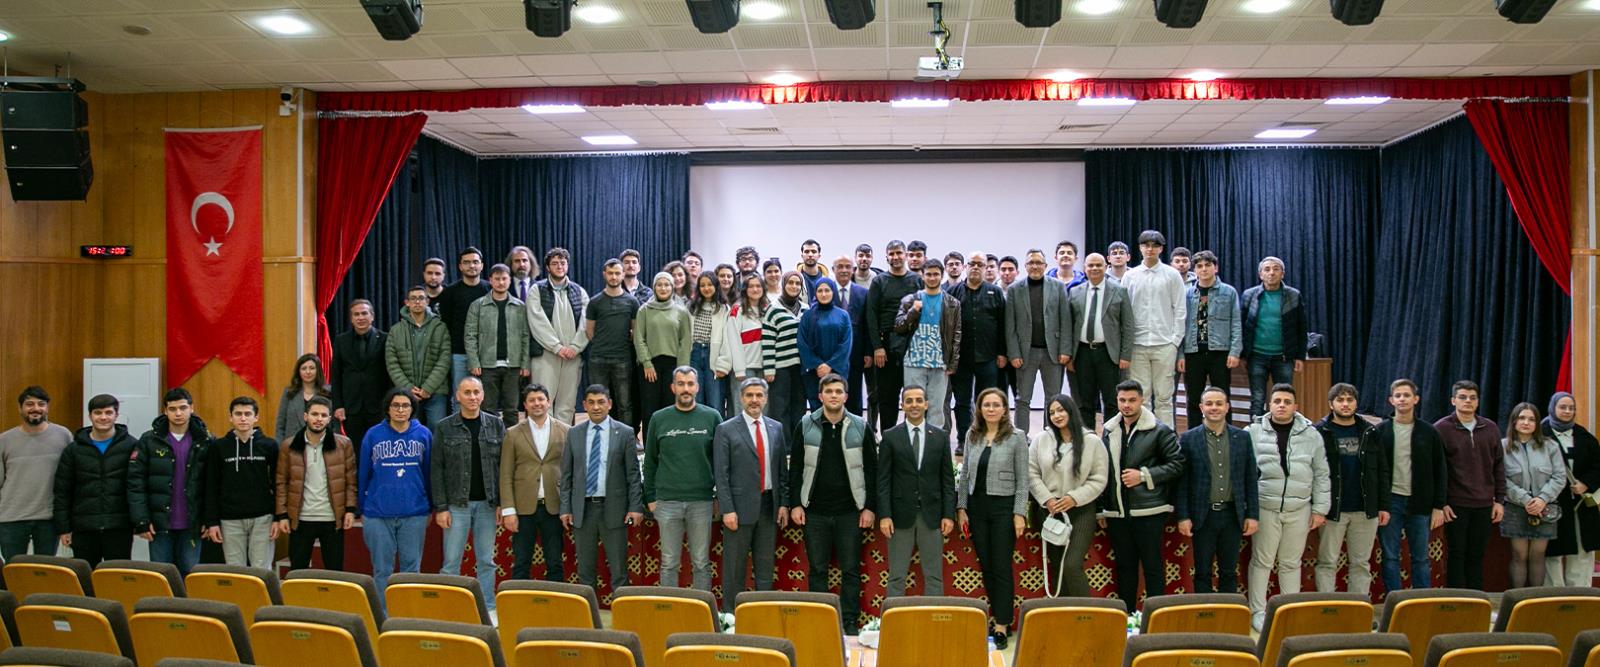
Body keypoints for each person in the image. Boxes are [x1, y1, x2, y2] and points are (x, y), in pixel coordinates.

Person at [791, 373, 877, 635]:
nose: (834, 396)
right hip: (814, 511)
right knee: (818, 570)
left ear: (846, 396)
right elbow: (795, 468)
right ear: (820, 396)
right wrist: (795, 504)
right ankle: (820, 621)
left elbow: (872, 470)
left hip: (850, 512)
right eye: (829, 391)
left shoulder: (860, 426)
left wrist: (869, 507)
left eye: (838, 391)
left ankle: (849, 622)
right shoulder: (805, 424)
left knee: (850, 570)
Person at [1245, 383, 1330, 627]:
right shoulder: (1252, 432)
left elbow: (1322, 473)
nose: (1282, 405)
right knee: (1262, 562)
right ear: (1269, 405)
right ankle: (1258, 612)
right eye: (1277, 401)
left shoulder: (1311, 434)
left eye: (1287, 402)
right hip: (1266, 508)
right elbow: (1245, 473)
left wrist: (1320, 509)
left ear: (1295, 406)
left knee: (1291, 563)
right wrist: (1249, 510)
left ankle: (1289, 609)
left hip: (1299, 509)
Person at [1098, 380, 1184, 613]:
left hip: (1149, 511)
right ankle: (1126, 617)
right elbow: (1104, 471)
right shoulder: (1109, 429)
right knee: (1124, 568)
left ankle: (1156, 617)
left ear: (1142, 400)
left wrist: (1144, 476)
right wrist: (1102, 509)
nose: (1126, 405)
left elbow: (1178, 464)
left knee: (1153, 567)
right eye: (1122, 400)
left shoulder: (1160, 430)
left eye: (1132, 400)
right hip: (1117, 513)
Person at [957, 388, 1029, 649]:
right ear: (979, 408)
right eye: (986, 405)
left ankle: (1002, 623)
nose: (990, 409)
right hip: (977, 508)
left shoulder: (1016, 437)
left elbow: (1023, 479)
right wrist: (962, 507)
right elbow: (965, 474)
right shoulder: (972, 434)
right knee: (986, 566)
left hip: (1003, 508)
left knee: (1001, 567)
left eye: (996, 405)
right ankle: (997, 616)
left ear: (1004, 409)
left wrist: (1019, 513)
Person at [714, 378, 791, 612]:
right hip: (738, 510)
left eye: (759, 395)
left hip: (769, 507)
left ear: (766, 398)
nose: (754, 400)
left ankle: (761, 614)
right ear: (741, 398)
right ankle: (731, 618)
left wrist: (783, 504)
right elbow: (721, 474)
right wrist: (727, 509)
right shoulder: (726, 429)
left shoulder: (776, 428)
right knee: (734, 570)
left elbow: (782, 471)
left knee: (765, 569)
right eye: (749, 395)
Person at [643, 366, 721, 590]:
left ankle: (702, 608)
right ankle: (670, 608)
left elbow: (720, 462)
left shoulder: (712, 417)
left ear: (697, 387)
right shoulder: (659, 419)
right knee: (669, 563)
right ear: (673, 388)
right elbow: (650, 462)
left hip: (702, 502)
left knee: (701, 563)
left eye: (690, 384)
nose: (685, 388)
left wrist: (717, 497)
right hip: (667, 502)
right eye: (681, 384)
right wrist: (651, 498)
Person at [1175, 386, 1258, 594]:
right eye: (1209, 404)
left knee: (1229, 571)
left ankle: (1227, 612)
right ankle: (1205, 612)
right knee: (1202, 571)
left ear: (1227, 407)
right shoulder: (1188, 439)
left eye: (1219, 404)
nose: (1214, 408)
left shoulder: (1242, 437)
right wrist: (1183, 516)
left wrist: (1252, 515)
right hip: (1203, 516)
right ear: (1201, 407)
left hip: (1232, 515)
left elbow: (1250, 479)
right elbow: (1182, 482)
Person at [560, 385, 644, 592]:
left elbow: (633, 475)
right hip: (583, 510)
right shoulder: (574, 433)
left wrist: (635, 507)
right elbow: (567, 475)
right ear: (584, 405)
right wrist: (565, 508)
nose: (596, 407)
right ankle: (588, 612)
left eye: (601, 402)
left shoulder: (624, 433)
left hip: (614, 509)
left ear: (610, 404)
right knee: (585, 571)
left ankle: (620, 610)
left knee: (619, 571)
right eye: (591, 402)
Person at [432, 377, 507, 605]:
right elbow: (437, 469)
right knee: (451, 562)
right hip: (456, 506)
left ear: (483, 395)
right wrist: (441, 507)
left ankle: (488, 606)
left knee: (486, 561)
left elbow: (503, 467)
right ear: (457, 396)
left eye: (476, 392)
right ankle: (451, 606)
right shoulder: (444, 427)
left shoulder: (496, 425)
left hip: (488, 505)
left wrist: (502, 503)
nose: (472, 397)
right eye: (467, 392)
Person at [878, 385, 956, 598]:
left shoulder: (940, 436)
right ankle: (894, 617)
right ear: (902, 405)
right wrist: (884, 515)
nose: (914, 405)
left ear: (926, 404)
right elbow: (883, 481)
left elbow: (947, 481)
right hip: (899, 516)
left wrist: (948, 515)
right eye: (909, 401)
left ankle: (932, 616)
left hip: (932, 516)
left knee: (934, 576)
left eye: (918, 400)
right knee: (896, 576)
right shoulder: (890, 436)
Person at [1029, 394, 1108, 597]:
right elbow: (1031, 473)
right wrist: (1047, 499)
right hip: (1050, 512)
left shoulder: (1092, 441)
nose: (1056, 415)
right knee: (1057, 566)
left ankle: (1086, 613)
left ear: (1071, 411)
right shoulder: (1041, 439)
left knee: (1071, 565)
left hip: (1081, 510)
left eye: (1061, 410)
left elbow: (1099, 478)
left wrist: (1074, 498)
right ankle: (1063, 612)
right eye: (1052, 412)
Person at [130, 388, 213, 576]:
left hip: (193, 524)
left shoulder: (205, 440)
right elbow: (135, 482)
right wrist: (141, 520)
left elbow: (212, 484)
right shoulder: (149, 440)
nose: (178, 413)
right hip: (159, 524)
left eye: (183, 408)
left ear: (192, 408)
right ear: (165, 411)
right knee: (162, 576)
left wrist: (210, 519)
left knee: (190, 575)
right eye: (173, 409)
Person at [1313, 383, 1387, 595]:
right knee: (1327, 562)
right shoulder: (1319, 431)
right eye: (1340, 400)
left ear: (1356, 403)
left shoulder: (1370, 431)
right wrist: (1316, 507)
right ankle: (1326, 607)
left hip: (1365, 509)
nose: (1345, 404)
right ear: (1331, 404)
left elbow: (1382, 470)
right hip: (1332, 510)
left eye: (1350, 400)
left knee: (1361, 564)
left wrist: (1383, 505)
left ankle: (1358, 608)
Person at [1375, 378, 1447, 592]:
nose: (1402, 399)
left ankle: (1421, 600)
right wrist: (1379, 503)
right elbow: (1374, 471)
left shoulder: (1429, 432)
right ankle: (1394, 600)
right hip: (1390, 502)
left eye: (1407, 395)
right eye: (1398, 395)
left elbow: (1440, 470)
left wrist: (1438, 505)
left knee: (1421, 557)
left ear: (1416, 399)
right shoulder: (1380, 431)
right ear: (1391, 400)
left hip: (1420, 503)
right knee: (1390, 556)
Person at [361, 387, 432, 596]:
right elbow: (363, 473)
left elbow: (429, 473)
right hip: (378, 513)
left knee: (411, 570)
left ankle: (408, 612)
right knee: (382, 570)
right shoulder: (373, 435)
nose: (400, 410)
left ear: (412, 409)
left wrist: (431, 506)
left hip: (414, 512)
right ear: (388, 408)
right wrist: (361, 508)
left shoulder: (424, 434)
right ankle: (383, 612)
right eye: (396, 405)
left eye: (405, 405)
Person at [1436, 380, 1505, 590]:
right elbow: (1437, 470)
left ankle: (1476, 599)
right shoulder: (1441, 429)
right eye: (1463, 397)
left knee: (1477, 555)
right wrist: (1442, 502)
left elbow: (1499, 466)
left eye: (1472, 398)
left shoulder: (1490, 428)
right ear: (1453, 400)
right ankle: (1457, 599)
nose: (1468, 401)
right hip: (1455, 504)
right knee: (1457, 554)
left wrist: (1499, 500)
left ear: (1478, 401)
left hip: (1484, 504)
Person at [54, 394, 137, 567]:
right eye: (98, 413)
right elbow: (62, 490)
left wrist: (139, 521)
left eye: (108, 412)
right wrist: (63, 528)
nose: (103, 417)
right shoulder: (73, 450)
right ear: (90, 416)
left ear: (116, 415)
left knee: (117, 575)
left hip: (119, 527)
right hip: (84, 527)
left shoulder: (132, 446)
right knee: (85, 576)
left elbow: (138, 486)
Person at [276, 396, 357, 571]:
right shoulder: (288, 446)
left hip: (332, 518)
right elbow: (281, 483)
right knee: (298, 572)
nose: (319, 419)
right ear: (306, 416)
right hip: (301, 519)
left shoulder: (344, 444)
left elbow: (350, 481)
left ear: (329, 419)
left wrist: (350, 510)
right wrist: (282, 515)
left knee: (335, 573)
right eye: (314, 414)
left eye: (323, 415)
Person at [500, 383, 567, 582]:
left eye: (540, 399)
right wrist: (508, 510)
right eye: (532, 400)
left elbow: (571, 472)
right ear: (525, 405)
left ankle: (556, 599)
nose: (537, 403)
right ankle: (518, 600)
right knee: (521, 562)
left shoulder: (565, 430)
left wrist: (568, 508)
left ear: (549, 402)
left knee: (555, 562)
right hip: (523, 508)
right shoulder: (512, 433)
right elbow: (505, 474)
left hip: (554, 507)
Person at [203, 397, 279, 569]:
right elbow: (211, 486)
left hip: (263, 518)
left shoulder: (269, 445)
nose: (243, 418)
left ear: (256, 417)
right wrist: (212, 522)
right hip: (230, 519)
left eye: (247, 414)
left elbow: (278, 484)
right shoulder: (218, 447)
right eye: (238, 414)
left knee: (262, 569)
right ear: (230, 417)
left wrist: (277, 517)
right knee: (235, 570)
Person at [1121, 230, 1186, 427]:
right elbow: (1124, 311)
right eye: (1146, 245)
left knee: (1164, 398)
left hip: (1165, 344)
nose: (1150, 249)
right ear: (1140, 248)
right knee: (1142, 397)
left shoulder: (1172, 275)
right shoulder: (1130, 276)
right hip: (1137, 345)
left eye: (1154, 246)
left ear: (1161, 249)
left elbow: (1180, 309)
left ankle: (1166, 439)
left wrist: (1175, 341)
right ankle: (1144, 437)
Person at [1005, 249, 1073, 432]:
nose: (1035, 266)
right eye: (1031, 263)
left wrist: (1065, 350)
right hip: (1025, 353)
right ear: (1025, 266)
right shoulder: (1014, 290)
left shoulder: (1058, 287)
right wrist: (1014, 353)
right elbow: (1010, 326)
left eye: (1038, 263)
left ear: (1045, 266)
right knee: (1022, 399)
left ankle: (1049, 436)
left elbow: (1065, 320)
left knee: (1053, 398)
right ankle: (1021, 437)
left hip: (1053, 353)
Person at [0, 386, 71, 559]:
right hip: (11, 518)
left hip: (49, 518)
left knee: (45, 569)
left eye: (41, 404)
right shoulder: (5, 440)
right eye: (29, 404)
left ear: (47, 408)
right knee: (14, 569)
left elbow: (71, 478)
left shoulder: (63, 436)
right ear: (20, 408)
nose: (36, 408)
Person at [1501, 402, 1564, 589]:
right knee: (1519, 555)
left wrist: (1542, 499)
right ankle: (1516, 599)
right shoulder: (1503, 446)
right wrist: (1525, 499)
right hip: (1515, 507)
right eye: (1521, 418)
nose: (1526, 422)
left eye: (1531, 419)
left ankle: (1536, 599)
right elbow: (1500, 479)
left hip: (1544, 508)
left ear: (1537, 423)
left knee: (1538, 555)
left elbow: (1559, 477)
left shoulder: (1550, 446)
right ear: (1514, 421)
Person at [946, 251, 1007, 444]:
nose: (975, 267)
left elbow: (1002, 324)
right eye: (972, 263)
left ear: (986, 268)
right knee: (962, 402)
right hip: (960, 359)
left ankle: (985, 438)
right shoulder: (953, 292)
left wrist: (1002, 353)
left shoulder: (995, 292)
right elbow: (946, 327)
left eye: (980, 264)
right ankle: (964, 439)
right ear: (966, 266)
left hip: (988, 357)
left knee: (987, 401)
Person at [1068, 253, 1134, 427]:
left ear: (1106, 267)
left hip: (1108, 354)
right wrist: (1069, 355)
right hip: (1082, 353)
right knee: (1085, 401)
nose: (1094, 268)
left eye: (1098, 265)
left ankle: (1110, 437)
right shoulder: (1075, 292)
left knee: (1111, 400)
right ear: (1084, 268)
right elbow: (1068, 326)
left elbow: (1128, 325)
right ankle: (1088, 437)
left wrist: (1125, 355)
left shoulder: (1119, 291)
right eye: (1090, 265)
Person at [897, 258, 962, 432]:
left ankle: (934, 444)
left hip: (940, 362)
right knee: (912, 406)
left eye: (936, 274)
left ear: (942, 275)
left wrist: (953, 363)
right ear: (922, 275)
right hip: (914, 361)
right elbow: (899, 327)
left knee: (937, 408)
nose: (932, 278)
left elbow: (956, 334)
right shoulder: (911, 300)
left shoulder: (952, 303)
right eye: (928, 274)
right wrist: (913, 311)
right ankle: (912, 442)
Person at [1178, 251, 1241, 427]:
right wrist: (1181, 354)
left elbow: (1236, 323)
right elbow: (1180, 326)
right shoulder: (1187, 294)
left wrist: (1235, 351)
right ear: (1195, 270)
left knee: (1222, 396)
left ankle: (1225, 434)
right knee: (1193, 398)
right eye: (1199, 266)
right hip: (1193, 353)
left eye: (1207, 265)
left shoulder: (1228, 292)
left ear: (1216, 268)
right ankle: (1194, 436)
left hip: (1219, 353)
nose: (1204, 269)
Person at [1543, 392, 1600, 585]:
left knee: (1583, 548)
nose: (1567, 411)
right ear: (1553, 408)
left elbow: (1597, 466)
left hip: (1580, 503)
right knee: (1553, 550)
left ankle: (1580, 593)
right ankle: (1554, 594)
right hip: (1552, 502)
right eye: (1562, 407)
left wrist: (1586, 483)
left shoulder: (1585, 437)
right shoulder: (1540, 434)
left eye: (1571, 408)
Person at [529, 247, 590, 423]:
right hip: (546, 355)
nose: (559, 266)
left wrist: (575, 347)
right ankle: (543, 439)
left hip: (573, 355)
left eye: (562, 263)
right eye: (555, 263)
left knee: (567, 404)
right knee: (542, 402)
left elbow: (586, 322)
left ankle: (563, 439)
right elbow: (537, 322)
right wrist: (557, 347)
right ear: (548, 267)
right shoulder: (537, 290)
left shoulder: (579, 291)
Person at [1240, 257, 1307, 417]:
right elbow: (1241, 326)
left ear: (1282, 274)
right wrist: (1242, 354)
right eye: (1267, 269)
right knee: (1257, 398)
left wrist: (1300, 356)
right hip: (1256, 356)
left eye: (1276, 269)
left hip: (1283, 358)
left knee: (1283, 398)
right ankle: (1255, 430)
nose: (1271, 273)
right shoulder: (1249, 295)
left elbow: (1301, 327)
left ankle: (1282, 430)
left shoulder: (1293, 295)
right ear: (1260, 274)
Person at [466, 263, 532, 424]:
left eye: (504, 278)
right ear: (490, 280)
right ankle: (490, 439)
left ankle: (511, 438)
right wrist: (474, 361)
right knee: (488, 408)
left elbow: (525, 336)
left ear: (510, 280)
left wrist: (525, 363)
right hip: (487, 364)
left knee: (511, 408)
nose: (501, 282)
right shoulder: (478, 305)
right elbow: (470, 335)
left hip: (513, 365)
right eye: (497, 279)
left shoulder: (519, 306)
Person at [866, 240, 922, 431]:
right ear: (886, 257)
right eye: (892, 253)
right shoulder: (879, 281)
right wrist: (877, 347)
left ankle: (910, 437)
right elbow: (871, 315)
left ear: (905, 255)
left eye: (899, 253)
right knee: (887, 397)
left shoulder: (917, 280)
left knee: (912, 395)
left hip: (912, 346)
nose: (896, 257)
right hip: (886, 347)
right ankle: (888, 438)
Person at [634, 272, 691, 437]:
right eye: (659, 285)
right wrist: (646, 363)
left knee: (671, 407)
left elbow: (685, 341)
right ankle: (650, 448)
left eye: (667, 285)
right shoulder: (644, 310)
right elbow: (639, 338)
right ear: (654, 287)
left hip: (673, 366)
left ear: (672, 288)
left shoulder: (681, 311)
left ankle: (670, 443)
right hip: (649, 367)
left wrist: (681, 371)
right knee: (649, 410)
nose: (663, 288)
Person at [587, 259, 642, 426]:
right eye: (610, 273)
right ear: (604, 274)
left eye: (617, 273)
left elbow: (635, 332)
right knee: (598, 402)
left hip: (622, 359)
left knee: (625, 404)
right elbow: (589, 331)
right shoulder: (595, 302)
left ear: (623, 274)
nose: (614, 276)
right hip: (598, 359)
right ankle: (600, 435)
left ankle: (627, 438)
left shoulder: (632, 302)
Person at [386, 285, 452, 426]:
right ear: (407, 303)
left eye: (421, 298)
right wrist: (408, 388)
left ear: (427, 301)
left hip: (436, 391)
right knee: (410, 432)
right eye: (413, 298)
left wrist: (428, 388)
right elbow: (392, 363)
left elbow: (444, 359)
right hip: (407, 394)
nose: (417, 302)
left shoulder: (440, 327)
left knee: (437, 430)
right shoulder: (396, 330)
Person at [331, 299, 390, 448]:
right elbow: (336, 375)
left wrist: (389, 404)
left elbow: (390, 374)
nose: (360, 317)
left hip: (378, 406)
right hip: (351, 406)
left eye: (364, 313)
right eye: (356, 314)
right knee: (355, 449)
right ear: (351, 319)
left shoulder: (385, 339)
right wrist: (338, 405)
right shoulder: (341, 340)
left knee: (379, 447)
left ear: (372, 316)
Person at [436, 247, 490, 407]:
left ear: (481, 265)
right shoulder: (449, 292)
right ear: (460, 266)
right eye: (467, 262)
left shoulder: (490, 290)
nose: (471, 266)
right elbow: (445, 323)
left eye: (475, 262)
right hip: (459, 353)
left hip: (487, 353)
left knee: (487, 400)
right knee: (460, 398)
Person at [799, 277, 854, 413]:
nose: (823, 294)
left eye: (827, 290)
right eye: (820, 291)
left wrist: (830, 365)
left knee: (836, 407)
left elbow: (846, 344)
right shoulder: (808, 316)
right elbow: (802, 343)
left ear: (833, 292)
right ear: (815, 293)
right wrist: (817, 365)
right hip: (814, 373)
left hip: (837, 370)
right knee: (817, 410)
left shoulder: (843, 315)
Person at [764, 273, 808, 433]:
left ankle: (796, 443)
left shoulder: (806, 309)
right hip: (780, 368)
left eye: (797, 283)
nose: (794, 286)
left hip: (801, 367)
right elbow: (768, 340)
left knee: (799, 407)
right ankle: (783, 444)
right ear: (784, 284)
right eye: (790, 282)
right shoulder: (773, 309)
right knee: (780, 409)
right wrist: (769, 369)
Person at [687, 273, 733, 415]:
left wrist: (724, 364)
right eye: (702, 285)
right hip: (694, 353)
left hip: (713, 355)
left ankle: (716, 430)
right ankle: (697, 429)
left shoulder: (724, 308)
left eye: (710, 285)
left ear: (716, 286)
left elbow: (727, 338)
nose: (706, 288)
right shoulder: (691, 306)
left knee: (715, 400)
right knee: (696, 398)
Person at [832, 255, 872, 416]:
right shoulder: (825, 291)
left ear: (853, 270)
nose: (844, 270)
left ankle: (855, 428)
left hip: (857, 353)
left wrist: (868, 352)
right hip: (832, 355)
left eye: (847, 266)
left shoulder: (863, 293)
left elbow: (868, 324)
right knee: (833, 394)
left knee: (854, 396)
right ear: (833, 269)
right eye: (840, 266)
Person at [276, 354, 332, 443]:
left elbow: (334, 424)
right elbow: (281, 423)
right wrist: (280, 445)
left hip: (321, 444)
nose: (308, 372)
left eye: (312, 368)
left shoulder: (328, 392)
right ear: (298, 371)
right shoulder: (289, 392)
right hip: (293, 444)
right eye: (304, 368)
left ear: (318, 370)